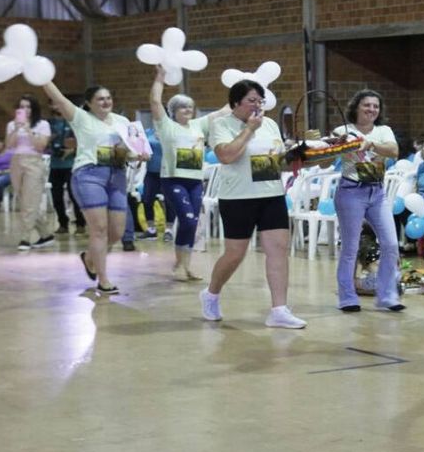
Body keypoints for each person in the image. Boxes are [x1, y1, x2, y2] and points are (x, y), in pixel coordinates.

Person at [200, 79, 305, 329]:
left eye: (261, 101)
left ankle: (279, 309)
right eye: (251, 101)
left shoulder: (269, 124)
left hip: (271, 194)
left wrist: (300, 157)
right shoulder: (221, 125)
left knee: (278, 249)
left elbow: (276, 159)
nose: (257, 106)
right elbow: (226, 155)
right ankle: (211, 293)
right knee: (235, 253)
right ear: (236, 102)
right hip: (238, 197)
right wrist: (249, 129)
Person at [41, 81, 137, 294]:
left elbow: (128, 150)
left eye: (108, 98)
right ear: (89, 104)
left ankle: (89, 258)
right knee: (99, 229)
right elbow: (59, 98)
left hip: (117, 175)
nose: (106, 102)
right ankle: (103, 280)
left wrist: (138, 154)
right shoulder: (81, 117)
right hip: (89, 175)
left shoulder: (122, 121)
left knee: (117, 232)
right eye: (100, 99)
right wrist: (44, 78)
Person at [150, 66, 226, 281]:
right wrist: (160, 78)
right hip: (173, 179)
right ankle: (180, 264)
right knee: (188, 220)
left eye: (190, 107)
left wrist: (246, 88)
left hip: (194, 182)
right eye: (183, 108)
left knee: (192, 224)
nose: (187, 111)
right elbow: (155, 102)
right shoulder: (166, 126)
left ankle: (184, 264)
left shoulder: (198, 126)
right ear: (173, 110)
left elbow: (222, 112)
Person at [332, 89, 405, 314]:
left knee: (391, 244)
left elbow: (394, 151)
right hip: (351, 191)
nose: (371, 109)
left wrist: (370, 145)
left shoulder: (384, 130)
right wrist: (330, 146)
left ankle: (386, 295)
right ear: (356, 107)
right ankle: (347, 297)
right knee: (351, 247)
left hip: (377, 192)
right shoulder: (343, 130)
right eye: (367, 105)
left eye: (375, 106)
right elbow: (326, 161)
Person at [5, 94, 55, 250]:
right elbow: (9, 145)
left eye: (28, 106)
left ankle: (25, 238)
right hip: (16, 161)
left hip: (34, 162)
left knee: (30, 201)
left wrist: (28, 130)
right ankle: (46, 235)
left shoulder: (42, 124)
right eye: (21, 107)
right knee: (25, 202)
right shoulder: (12, 125)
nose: (25, 110)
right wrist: (17, 128)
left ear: (34, 109)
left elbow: (40, 146)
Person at [46, 98, 85, 235]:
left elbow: (83, 141)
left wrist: (73, 150)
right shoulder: (48, 124)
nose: (56, 106)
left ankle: (81, 223)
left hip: (71, 164)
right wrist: (48, 139)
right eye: (54, 103)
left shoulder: (73, 121)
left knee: (75, 195)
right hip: (55, 164)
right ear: (50, 105)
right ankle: (63, 223)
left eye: (59, 103)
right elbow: (43, 145)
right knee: (56, 196)